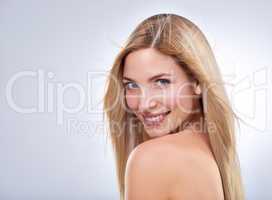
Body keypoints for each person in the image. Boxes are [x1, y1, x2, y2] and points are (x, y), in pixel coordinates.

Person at [103, 13, 244, 200]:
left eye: (161, 82)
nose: (144, 104)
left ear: (197, 82)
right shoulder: (210, 148)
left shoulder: (152, 158)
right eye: (132, 85)